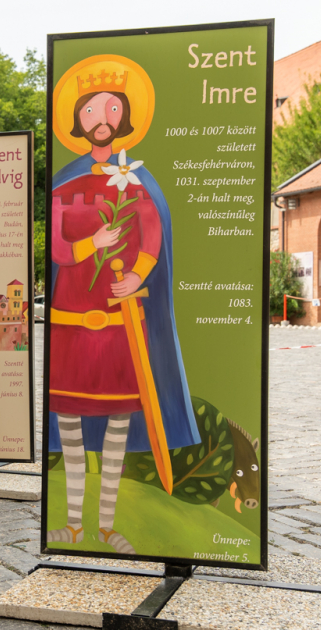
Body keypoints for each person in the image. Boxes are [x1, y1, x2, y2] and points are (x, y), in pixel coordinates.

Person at [47, 69, 198, 553]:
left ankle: (108, 527)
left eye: (112, 108)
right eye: (92, 109)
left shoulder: (134, 179)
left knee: (117, 425)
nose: (102, 118)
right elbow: (56, 248)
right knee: (70, 424)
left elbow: (152, 233)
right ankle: (73, 526)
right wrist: (93, 243)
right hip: (70, 325)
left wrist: (138, 275)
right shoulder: (64, 183)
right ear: (78, 119)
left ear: (125, 117)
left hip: (118, 325)